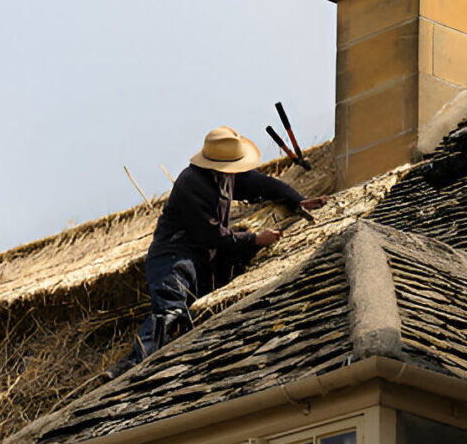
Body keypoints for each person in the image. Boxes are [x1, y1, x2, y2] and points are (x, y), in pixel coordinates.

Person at [103, 126, 327, 381]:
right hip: (173, 257)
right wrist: (254, 238)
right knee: (172, 310)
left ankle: (168, 372)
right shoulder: (192, 183)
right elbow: (211, 235)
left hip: (199, 260)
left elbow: (262, 185)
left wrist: (296, 200)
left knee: (190, 320)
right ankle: (126, 370)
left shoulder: (227, 175)